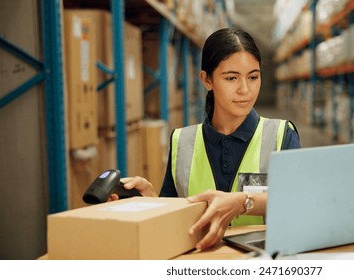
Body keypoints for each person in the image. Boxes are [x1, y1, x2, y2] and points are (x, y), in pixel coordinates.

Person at [110, 28, 301, 250]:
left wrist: (243, 203)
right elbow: (174, 215)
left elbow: (299, 203)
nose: (245, 89)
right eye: (231, 78)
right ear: (207, 80)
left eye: (253, 77)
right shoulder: (182, 141)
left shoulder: (281, 135)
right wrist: (149, 199)